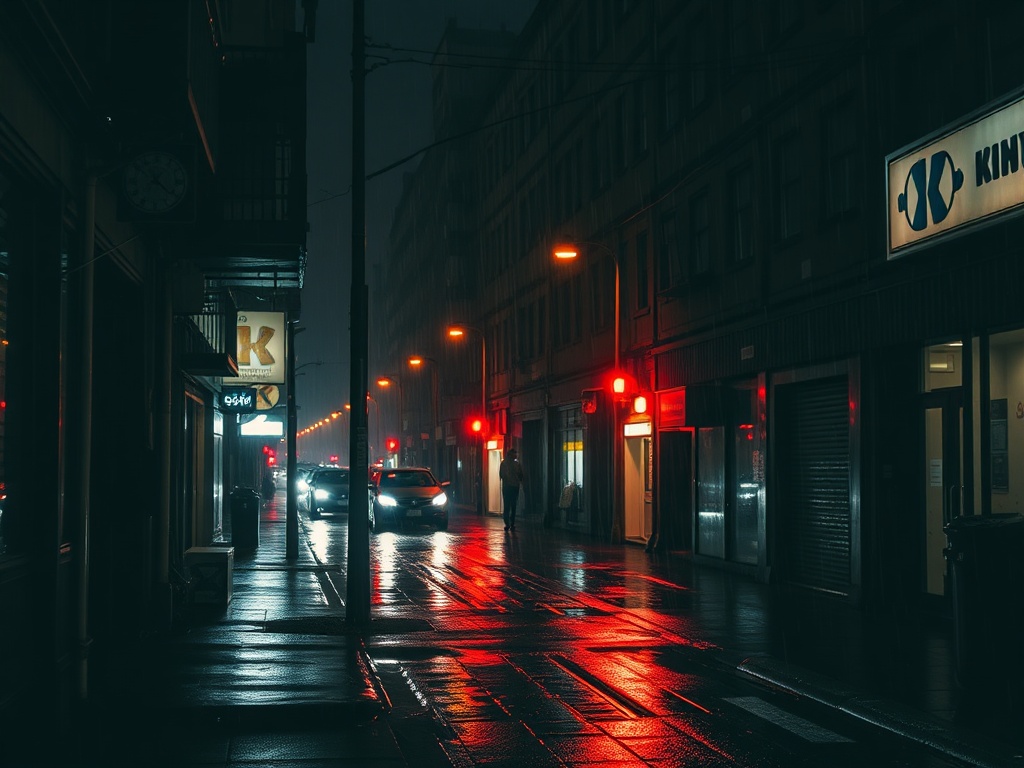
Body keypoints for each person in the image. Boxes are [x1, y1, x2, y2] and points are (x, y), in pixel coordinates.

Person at [499, 447, 524, 531]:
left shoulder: (503, 463)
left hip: (507, 487)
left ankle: (507, 523)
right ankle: (512, 523)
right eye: (515, 454)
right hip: (515, 487)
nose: (516, 455)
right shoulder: (517, 464)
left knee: (507, 505)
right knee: (513, 505)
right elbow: (521, 475)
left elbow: (501, 475)